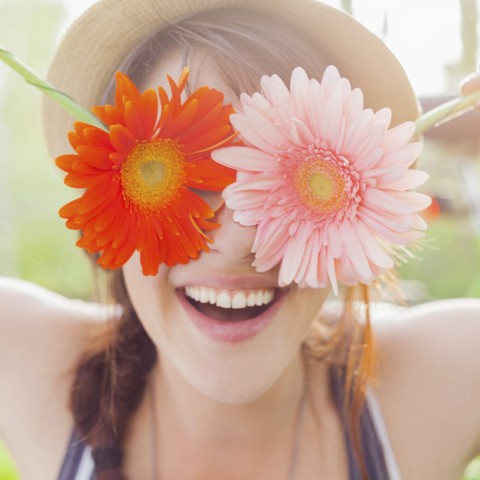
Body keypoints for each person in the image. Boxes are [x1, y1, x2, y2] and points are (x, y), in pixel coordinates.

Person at [1, 0, 480, 479]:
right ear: (111, 195)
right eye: (181, 176)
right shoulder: (29, 365)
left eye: (283, 180)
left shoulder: (446, 380)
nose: (235, 241)